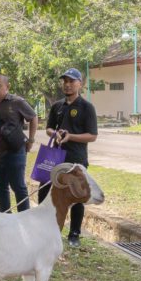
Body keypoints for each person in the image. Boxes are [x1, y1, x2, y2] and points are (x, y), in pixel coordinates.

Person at [39, 68, 98, 247]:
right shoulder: (57, 106)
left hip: (76, 158)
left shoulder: (87, 107)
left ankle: (74, 234)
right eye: (65, 81)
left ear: (80, 84)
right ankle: (45, 229)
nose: (67, 85)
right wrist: (55, 134)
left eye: (71, 81)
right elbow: (48, 128)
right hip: (55, 157)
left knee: (77, 195)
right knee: (45, 191)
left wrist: (71, 136)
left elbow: (92, 136)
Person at [0, 75, 38, 212]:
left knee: (19, 187)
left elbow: (33, 117)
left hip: (15, 152)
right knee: (1, 187)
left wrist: (31, 139)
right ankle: (5, 216)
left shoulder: (17, 102)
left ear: (7, 86)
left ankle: (24, 217)